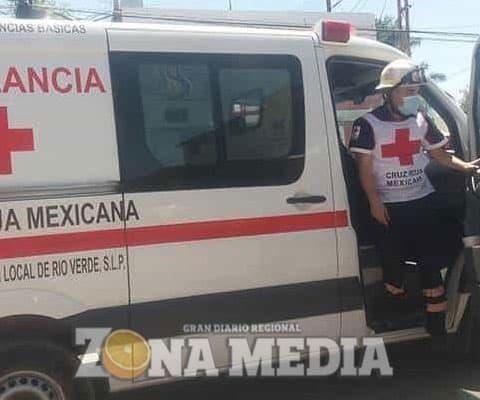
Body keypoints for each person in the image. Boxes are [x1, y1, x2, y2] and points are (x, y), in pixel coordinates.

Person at [349, 59, 479, 337]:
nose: (414, 97)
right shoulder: (368, 124)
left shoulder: (420, 120)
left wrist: (465, 167)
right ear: (389, 93)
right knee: (393, 267)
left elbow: (438, 154)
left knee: (430, 262)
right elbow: (364, 168)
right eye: (408, 91)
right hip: (389, 207)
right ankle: (394, 307)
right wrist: (374, 202)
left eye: (416, 91)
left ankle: (436, 329)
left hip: (422, 202)